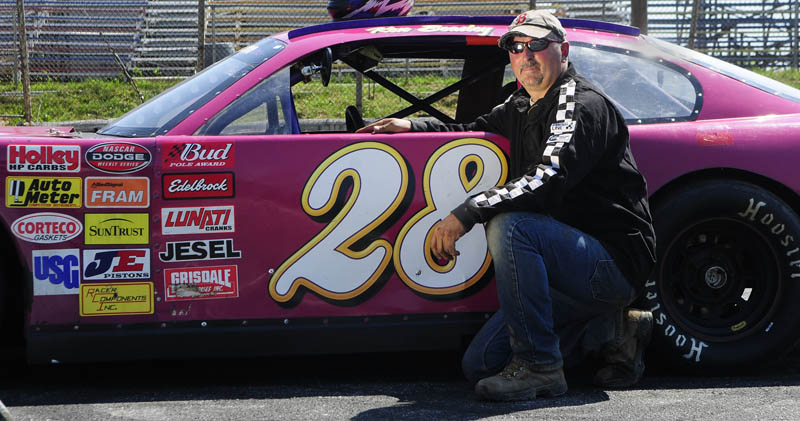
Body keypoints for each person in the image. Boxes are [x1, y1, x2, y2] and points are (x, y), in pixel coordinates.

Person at [357, 9, 656, 401]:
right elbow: (472, 129)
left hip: (609, 263)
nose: (526, 54)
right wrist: (411, 126)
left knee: (510, 225)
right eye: (516, 47)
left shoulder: (578, 104)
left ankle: (540, 368)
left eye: (537, 45)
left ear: (563, 50)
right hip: (565, 270)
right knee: (481, 365)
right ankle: (611, 331)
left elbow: (547, 178)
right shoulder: (521, 104)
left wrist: (465, 214)